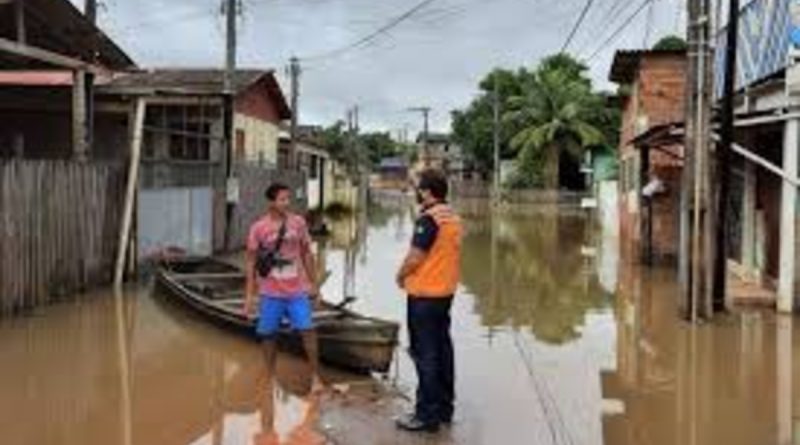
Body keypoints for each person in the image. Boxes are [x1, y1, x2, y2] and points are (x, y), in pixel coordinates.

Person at [395, 169, 463, 433]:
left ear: (426, 192)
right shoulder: (452, 216)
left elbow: (415, 257)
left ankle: (426, 416)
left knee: (426, 354)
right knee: (443, 349)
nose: (417, 192)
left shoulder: (429, 219)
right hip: (445, 293)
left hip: (424, 296)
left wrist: (400, 275)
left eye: (419, 188)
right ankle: (444, 409)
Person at [244, 183, 324, 394]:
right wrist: (249, 297)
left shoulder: (298, 223)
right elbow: (251, 263)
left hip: (297, 290)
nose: (286, 203)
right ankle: (269, 375)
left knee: (308, 330)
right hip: (270, 292)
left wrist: (314, 285)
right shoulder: (258, 228)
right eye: (282, 199)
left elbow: (307, 253)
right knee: (268, 335)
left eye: (288, 199)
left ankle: (315, 376)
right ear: (271, 202)